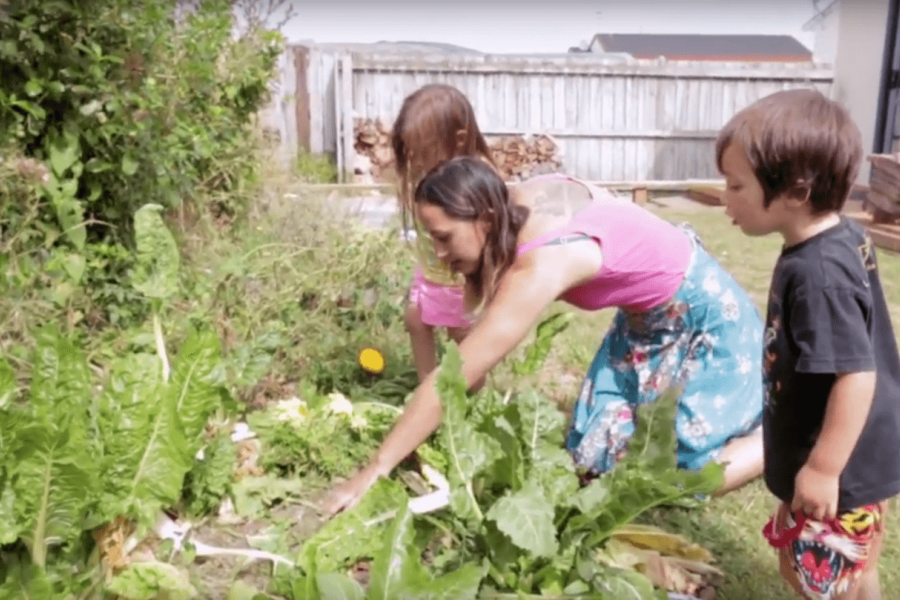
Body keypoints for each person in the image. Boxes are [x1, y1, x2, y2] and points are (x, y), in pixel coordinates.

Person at [325, 150, 766, 516]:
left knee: (668, 478)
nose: (438, 252)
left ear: (483, 217)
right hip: (646, 321)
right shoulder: (511, 201)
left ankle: (778, 443)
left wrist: (376, 468)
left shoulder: (543, 262)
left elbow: (456, 376)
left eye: (444, 237)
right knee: (593, 459)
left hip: (706, 318)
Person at [717, 88, 900, 600]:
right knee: (852, 573)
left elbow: (855, 374)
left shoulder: (819, 274)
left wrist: (821, 470)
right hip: (850, 458)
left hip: (839, 466)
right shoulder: (834, 238)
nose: (726, 198)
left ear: (795, 190)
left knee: (817, 578)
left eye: (735, 186)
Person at [392, 83, 611, 388]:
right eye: (410, 153)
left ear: (457, 138)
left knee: (464, 344)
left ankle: (466, 400)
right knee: (415, 319)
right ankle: (426, 390)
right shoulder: (431, 177)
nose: (416, 162)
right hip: (432, 271)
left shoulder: (476, 177)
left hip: (461, 276)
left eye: (422, 152)